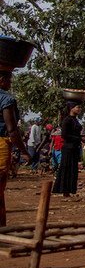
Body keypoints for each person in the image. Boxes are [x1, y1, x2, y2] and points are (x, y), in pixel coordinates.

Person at [0, 70, 25, 225]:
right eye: (9, 80)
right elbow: (12, 129)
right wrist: (24, 151)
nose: (10, 84)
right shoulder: (6, 99)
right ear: (2, 79)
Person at [52, 100, 83, 197]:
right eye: (77, 107)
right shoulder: (67, 120)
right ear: (71, 108)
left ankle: (70, 190)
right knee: (66, 168)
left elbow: (75, 134)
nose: (79, 109)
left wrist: (82, 138)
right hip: (68, 148)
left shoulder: (75, 120)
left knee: (73, 169)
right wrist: (79, 138)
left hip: (74, 148)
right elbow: (64, 135)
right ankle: (64, 190)